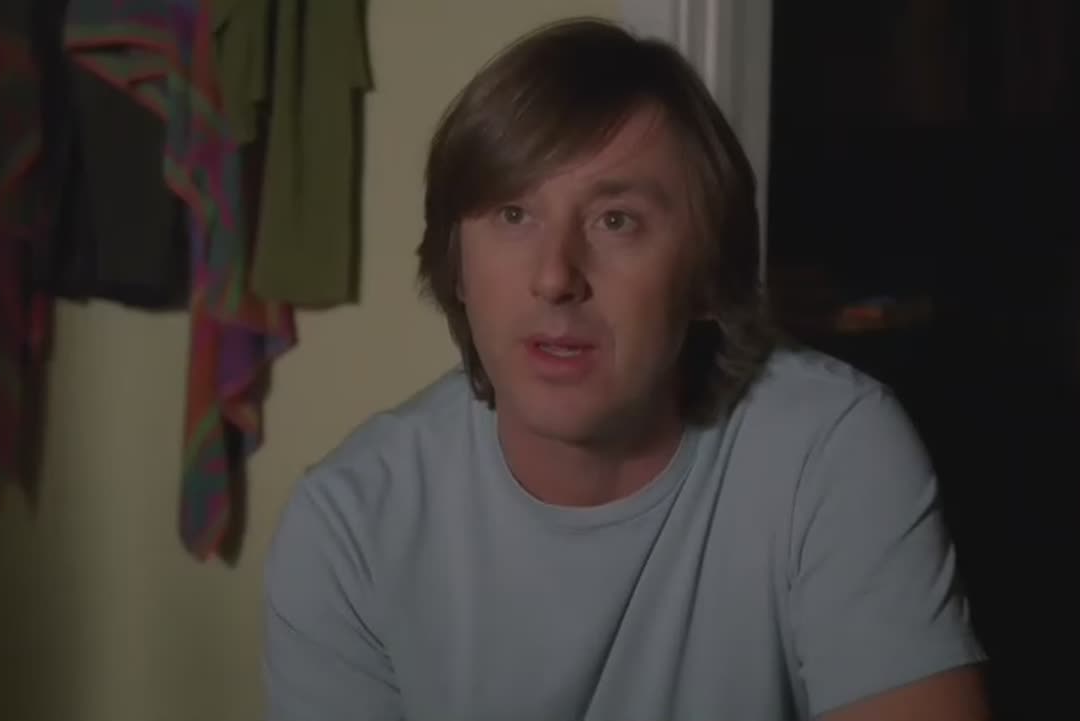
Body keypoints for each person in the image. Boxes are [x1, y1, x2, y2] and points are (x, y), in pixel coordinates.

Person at [263, 17, 989, 721]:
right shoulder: (350, 527)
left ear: (704, 276)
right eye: (513, 215)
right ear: (457, 265)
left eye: (616, 221)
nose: (555, 277)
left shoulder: (831, 449)